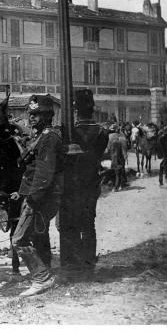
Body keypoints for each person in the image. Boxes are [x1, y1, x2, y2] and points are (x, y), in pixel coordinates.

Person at [9, 94, 64, 297]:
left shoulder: (49, 138)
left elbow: (44, 174)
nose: (32, 118)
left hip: (42, 197)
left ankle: (42, 278)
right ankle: (45, 273)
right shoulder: (39, 136)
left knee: (19, 240)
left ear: (48, 115)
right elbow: (32, 171)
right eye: (31, 114)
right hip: (37, 194)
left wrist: (31, 199)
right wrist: (21, 193)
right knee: (36, 235)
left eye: (37, 114)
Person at [59, 89, 108, 281]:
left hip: (71, 186)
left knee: (70, 224)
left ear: (75, 109)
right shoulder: (102, 132)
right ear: (92, 108)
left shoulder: (70, 131)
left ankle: (73, 264)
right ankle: (88, 267)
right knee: (88, 224)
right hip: (91, 184)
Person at [106, 124, 128, 191]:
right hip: (121, 156)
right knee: (121, 168)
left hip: (114, 156)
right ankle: (122, 183)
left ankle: (116, 186)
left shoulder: (109, 137)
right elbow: (125, 149)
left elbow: (108, 149)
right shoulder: (122, 137)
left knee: (116, 170)